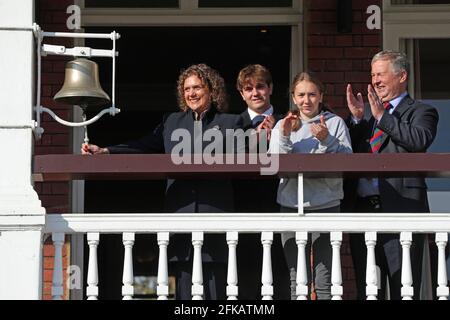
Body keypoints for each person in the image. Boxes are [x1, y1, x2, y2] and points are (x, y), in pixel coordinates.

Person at [82, 63, 244, 300]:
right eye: (187, 89)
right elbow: (143, 145)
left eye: (197, 87)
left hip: (214, 215)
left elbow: (256, 149)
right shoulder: (172, 122)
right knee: (183, 291)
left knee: (215, 290)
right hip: (180, 215)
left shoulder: (231, 123)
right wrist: (106, 150)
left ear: (212, 90)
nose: (191, 93)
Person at [344, 50, 439, 300]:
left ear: (402, 76)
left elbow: (418, 140)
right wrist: (356, 119)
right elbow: (348, 153)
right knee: (368, 291)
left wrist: (382, 117)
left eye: (381, 74)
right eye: (373, 74)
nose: (375, 80)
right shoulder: (367, 114)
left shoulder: (422, 110)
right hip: (363, 212)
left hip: (401, 209)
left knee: (403, 290)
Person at [268, 72, 352, 300]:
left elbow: (348, 161)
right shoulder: (282, 124)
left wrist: (327, 139)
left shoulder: (335, 123)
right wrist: (284, 135)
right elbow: (273, 164)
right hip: (291, 205)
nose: (307, 100)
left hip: (327, 204)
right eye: (301, 95)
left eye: (312, 94)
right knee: (297, 279)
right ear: (294, 98)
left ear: (321, 96)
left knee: (325, 278)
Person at [233, 64, 290, 300]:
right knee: (245, 283)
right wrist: (253, 144)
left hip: (282, 210)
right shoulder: (231, 124)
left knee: (282, 281)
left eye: (260, 86)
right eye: (248, 88)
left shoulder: (290, 120)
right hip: (244, 212)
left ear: (270, 89)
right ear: (241, 93)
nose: (255, 93)